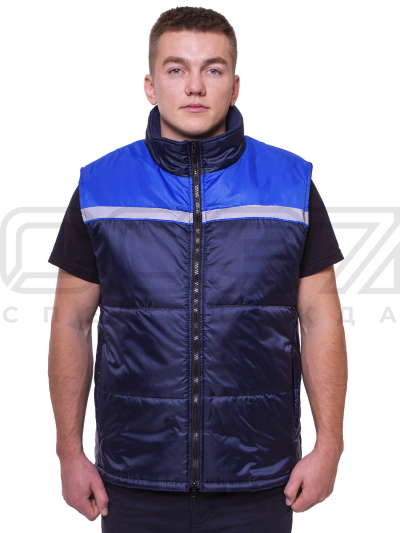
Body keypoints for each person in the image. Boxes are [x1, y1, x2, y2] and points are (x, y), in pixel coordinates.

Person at [48, 6, 348, 533]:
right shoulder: (100, 187)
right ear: (150, 85)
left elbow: (321, 319)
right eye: (176, 68)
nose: (194, 86)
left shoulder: (290, 185)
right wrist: (68, 453)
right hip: (134, 480)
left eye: (212, 69)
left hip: (259, 480)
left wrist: (330, 445)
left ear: (235, 85)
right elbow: (70, 324)